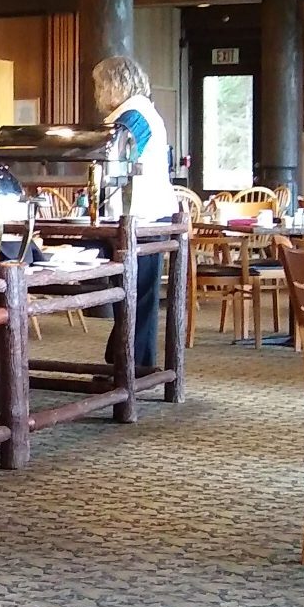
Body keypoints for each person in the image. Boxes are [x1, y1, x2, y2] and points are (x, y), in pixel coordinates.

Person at [91, 54, 178, 372]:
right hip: (142, 214)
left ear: (113, 84)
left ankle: (131, 366)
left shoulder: (134, 114)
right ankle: (125, 362)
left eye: (99, 86)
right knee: (134, 294)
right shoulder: (139, 112)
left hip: (142, 216)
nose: (97, 93)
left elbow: (116, 161)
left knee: (135, 294)